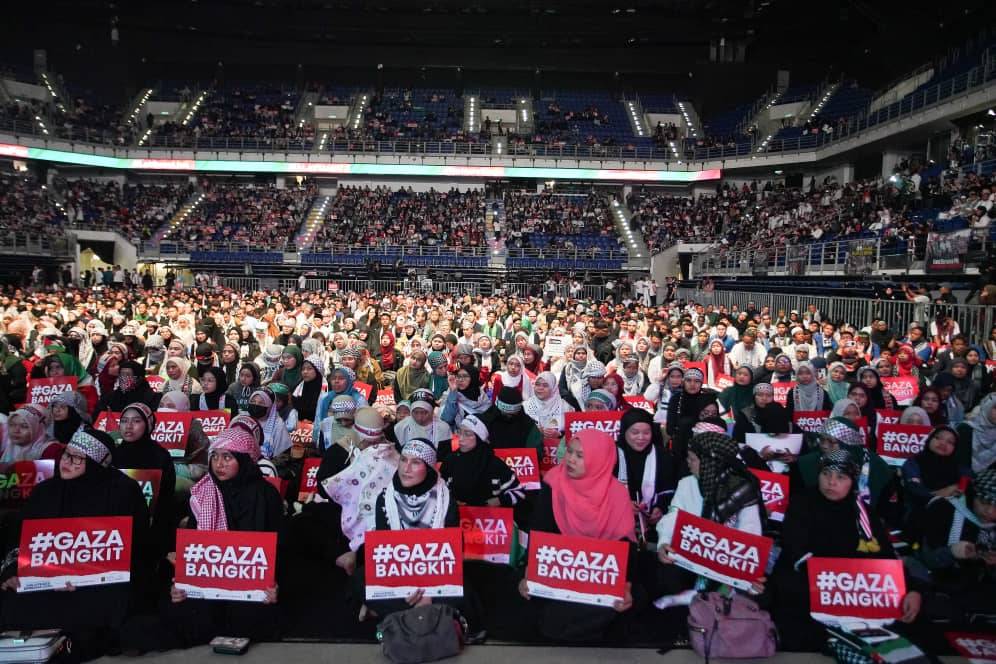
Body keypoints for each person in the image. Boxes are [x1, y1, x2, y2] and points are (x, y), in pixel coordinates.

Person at [127, 427, 282, 651]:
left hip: (251, 586)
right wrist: (182, 580)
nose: (219, 464)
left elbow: (278, 547)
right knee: (174, 609)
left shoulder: (265, 495)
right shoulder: (204, 492)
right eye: (215, 456)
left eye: (227, 457)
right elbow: (194, 545)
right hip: (210, 583)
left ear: (244, 460)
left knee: (253, 616)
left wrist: (273, 584)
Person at [1, 427, 150, 661]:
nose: (66, 462)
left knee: (111, 607)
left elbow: (134, 549)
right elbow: (20, 539)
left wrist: (81, 575)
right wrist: (13, 571)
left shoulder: (122, 492)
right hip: (45, 579)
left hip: (98, 582)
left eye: (77, 458)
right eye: (66, 454)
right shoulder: (45, 492)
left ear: (95, 463)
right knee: (11, 598)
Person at [772, 449, 922, 651]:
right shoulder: (803, 502)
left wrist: (910, 589)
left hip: (854, 588)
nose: (831, 482)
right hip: (812, 580)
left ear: (852, 481)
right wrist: (831, 580)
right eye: (826, 474)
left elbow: (885, 555)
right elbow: (795, 547)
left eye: (840, 477)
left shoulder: (863, 512)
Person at [517, 430, 637, 642]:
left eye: (580, 456)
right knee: (525, 598)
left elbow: (625, 547)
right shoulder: (554, 482)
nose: (570, 459)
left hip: (598, 575)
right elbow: (539, 532)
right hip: (561, 571)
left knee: (634, 596)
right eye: (570, 452)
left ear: (600, 459)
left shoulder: (617, 493)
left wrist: (624, 584)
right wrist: (529, 571)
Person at [656, 431, 764, 606]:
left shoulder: (741, 491)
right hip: (690, 557)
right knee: (666, 575)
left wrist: (747, 571)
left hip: (727, 562)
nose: (688, 463)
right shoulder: (687, 484)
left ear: (710, 462)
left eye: (693, 459)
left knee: (755, 593)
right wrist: (664, 543)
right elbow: (673, 517)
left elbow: (750, 534)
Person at [322, 407, 400, 575]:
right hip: (380, 514)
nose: (371, 446)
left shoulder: (338, 451)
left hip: (365, 514)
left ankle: (346, 557)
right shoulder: (392, 450)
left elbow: (323, 488)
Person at [915, 468, 996, 618]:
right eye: (984, 502)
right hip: (940, 590)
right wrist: (952, 552)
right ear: (973, 494)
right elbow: (923, 560)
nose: (990, 512)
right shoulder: (943, 508)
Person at [112, 402, 177, 558]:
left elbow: (166, 499)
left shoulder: (160, 456)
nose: (128, 426)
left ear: (148, 425)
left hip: (152, 528)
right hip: (117, 529)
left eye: (136, 421)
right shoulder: (113, 455)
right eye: (124, 421)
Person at [614, 408, 678, 547]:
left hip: (652, 529)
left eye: (646, 432)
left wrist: (660, 508)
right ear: (624, 431)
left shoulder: (662, 456)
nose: (641, 438)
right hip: (615, 527)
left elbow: (668, 489)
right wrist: (622, 505)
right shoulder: (612, 455)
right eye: (635, 432)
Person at [441, 415, 525, 507]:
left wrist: (498, 501)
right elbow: (438, 490)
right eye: (459, 432)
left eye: (467, 434)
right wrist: (451, 502)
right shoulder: (450, 461)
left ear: (480, 438)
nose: (460, 438)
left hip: (489, 518)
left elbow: (519, 492)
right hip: (456, 518)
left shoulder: (494, 464)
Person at [901, 426, 967, 520]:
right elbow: (915, 491)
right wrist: (943, 493)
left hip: (952, 518)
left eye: (950, 442)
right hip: (918, 515)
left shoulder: (960, 467)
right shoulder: (913, 462)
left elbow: (967, 486)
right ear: (929, 439)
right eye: (938, 438)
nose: (943, 443)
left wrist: (959, 488)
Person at [393, 390, 452, 459]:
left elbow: (444, 459)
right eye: (415, 412)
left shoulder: (443, 429)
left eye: (424, 413)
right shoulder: (401, 427)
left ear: (432, 411)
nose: (419, 417)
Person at [94, 360, 160, 415]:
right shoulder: (111, 398)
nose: (123, 378)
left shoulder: (153, 398)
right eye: (121, 374)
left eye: (127, 375)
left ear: (139, 378)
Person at [488, 387, 542, 451]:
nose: (508, 416)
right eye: (505, 413)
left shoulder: (528, 424)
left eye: (512, 414)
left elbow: (536, 451)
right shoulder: (487, 420)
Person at [956, 392, 996, 475]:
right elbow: (961, 465)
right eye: (995, 408)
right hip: (966, 480)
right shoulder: (966, 429)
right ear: (987, 407)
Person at [248, 388, 292, 461]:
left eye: (261, 403)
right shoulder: (244, 420)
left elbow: (282, 457)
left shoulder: (278, 425)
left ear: (271, 407)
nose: (256, 405)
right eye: (253, 401)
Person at [292, 356, 326, 424]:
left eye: (309, 369)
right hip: (298, 427)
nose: (305, 372)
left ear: (318, 370)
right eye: (303, 369)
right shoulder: (298, 388)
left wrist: (313, 422)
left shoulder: (325, 388)